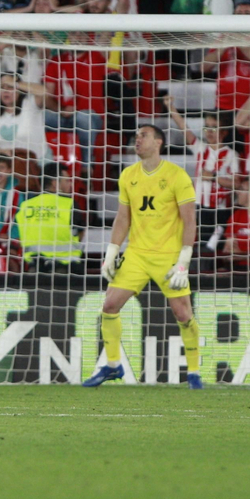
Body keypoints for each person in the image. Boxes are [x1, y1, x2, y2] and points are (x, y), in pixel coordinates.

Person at [85, 123, 200, 388]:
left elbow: (190, 220)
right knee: (109, 305)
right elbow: (123, 217)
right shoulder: (128, 175)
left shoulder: (176, 175)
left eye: (144, 136)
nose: (137, 140)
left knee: (183, 314)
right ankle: (113, 365)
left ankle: (194, 372)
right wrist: (112, 252)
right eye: (135, 135)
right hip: (136, 253)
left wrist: (184, 260)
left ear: (158, 142)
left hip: (168, 255)